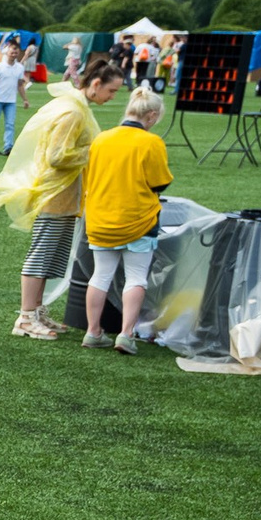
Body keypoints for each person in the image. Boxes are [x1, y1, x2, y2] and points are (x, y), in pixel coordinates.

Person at [0, 57, 126, 340]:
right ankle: (25, 317)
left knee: (53, 258)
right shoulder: (73, 112)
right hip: (54, 195)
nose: (112, 97)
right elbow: (56, 156)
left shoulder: (77, 107)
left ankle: (36, 311)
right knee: (41, 256)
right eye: (112, 91)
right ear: (96, 84)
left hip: (67, 197)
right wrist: (94, 152)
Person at [79, 84, 173, 353]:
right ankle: (126, 334)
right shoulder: (151, 142)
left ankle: (92, 331)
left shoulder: (102, 138)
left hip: (101, 219)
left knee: (100, 276)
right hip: (138, 220)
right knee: (136, 278)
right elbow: (159, 183)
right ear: (152, 116)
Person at [0, 40, 29, 156]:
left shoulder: (19, 68)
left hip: (11, 102)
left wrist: (25, 99)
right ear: (7, 52)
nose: (14, 54)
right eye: (12, 52)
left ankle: (8, 147)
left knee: (10, 124)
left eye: (16, 52)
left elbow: (20, 85)